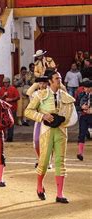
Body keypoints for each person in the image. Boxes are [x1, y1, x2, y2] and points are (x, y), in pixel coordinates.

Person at [25, 70, 77, 204]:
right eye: (57, 78)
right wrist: (42, 116)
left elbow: (72, 116)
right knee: (44, 160)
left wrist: (64, 120)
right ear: (50, 81)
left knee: (60, 161)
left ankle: (60, 194)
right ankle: (39, 186)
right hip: (46, 131)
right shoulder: (40, 95)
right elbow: (28, 111)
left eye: (60, 78)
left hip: (61, 131)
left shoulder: (66, 96)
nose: (59, 80)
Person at [26, 76, 49, 168]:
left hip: (50, 120)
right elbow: (28, 92)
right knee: (36, 141)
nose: (42, 85)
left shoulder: (52, 93)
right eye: (40, 83)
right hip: (39, 119)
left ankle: (47, 161)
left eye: (44, 83)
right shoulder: (36, 93)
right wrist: (36, 83)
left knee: (48, 141)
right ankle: (40, 159)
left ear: (48, 83)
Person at [0, 77, 20, 142]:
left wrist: (11, 99)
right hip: (4, 109)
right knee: (4, 123)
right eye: (4, 83)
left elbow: (18, 97)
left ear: (9, 82)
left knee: (11, 123)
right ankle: (5, 136)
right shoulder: (1, 89)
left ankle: (10, 137)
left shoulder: (13, 89)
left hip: (12, 109)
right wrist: (4, 96)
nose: (5, 84)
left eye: (7, 82)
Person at [76, 80, 92, 161]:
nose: (85, 89)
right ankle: (80, 153)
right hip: (84, 116)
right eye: (84, 87)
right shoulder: (81, 95)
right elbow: (76, 106)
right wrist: (81, 108)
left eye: (87, 88)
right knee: (82, 134)